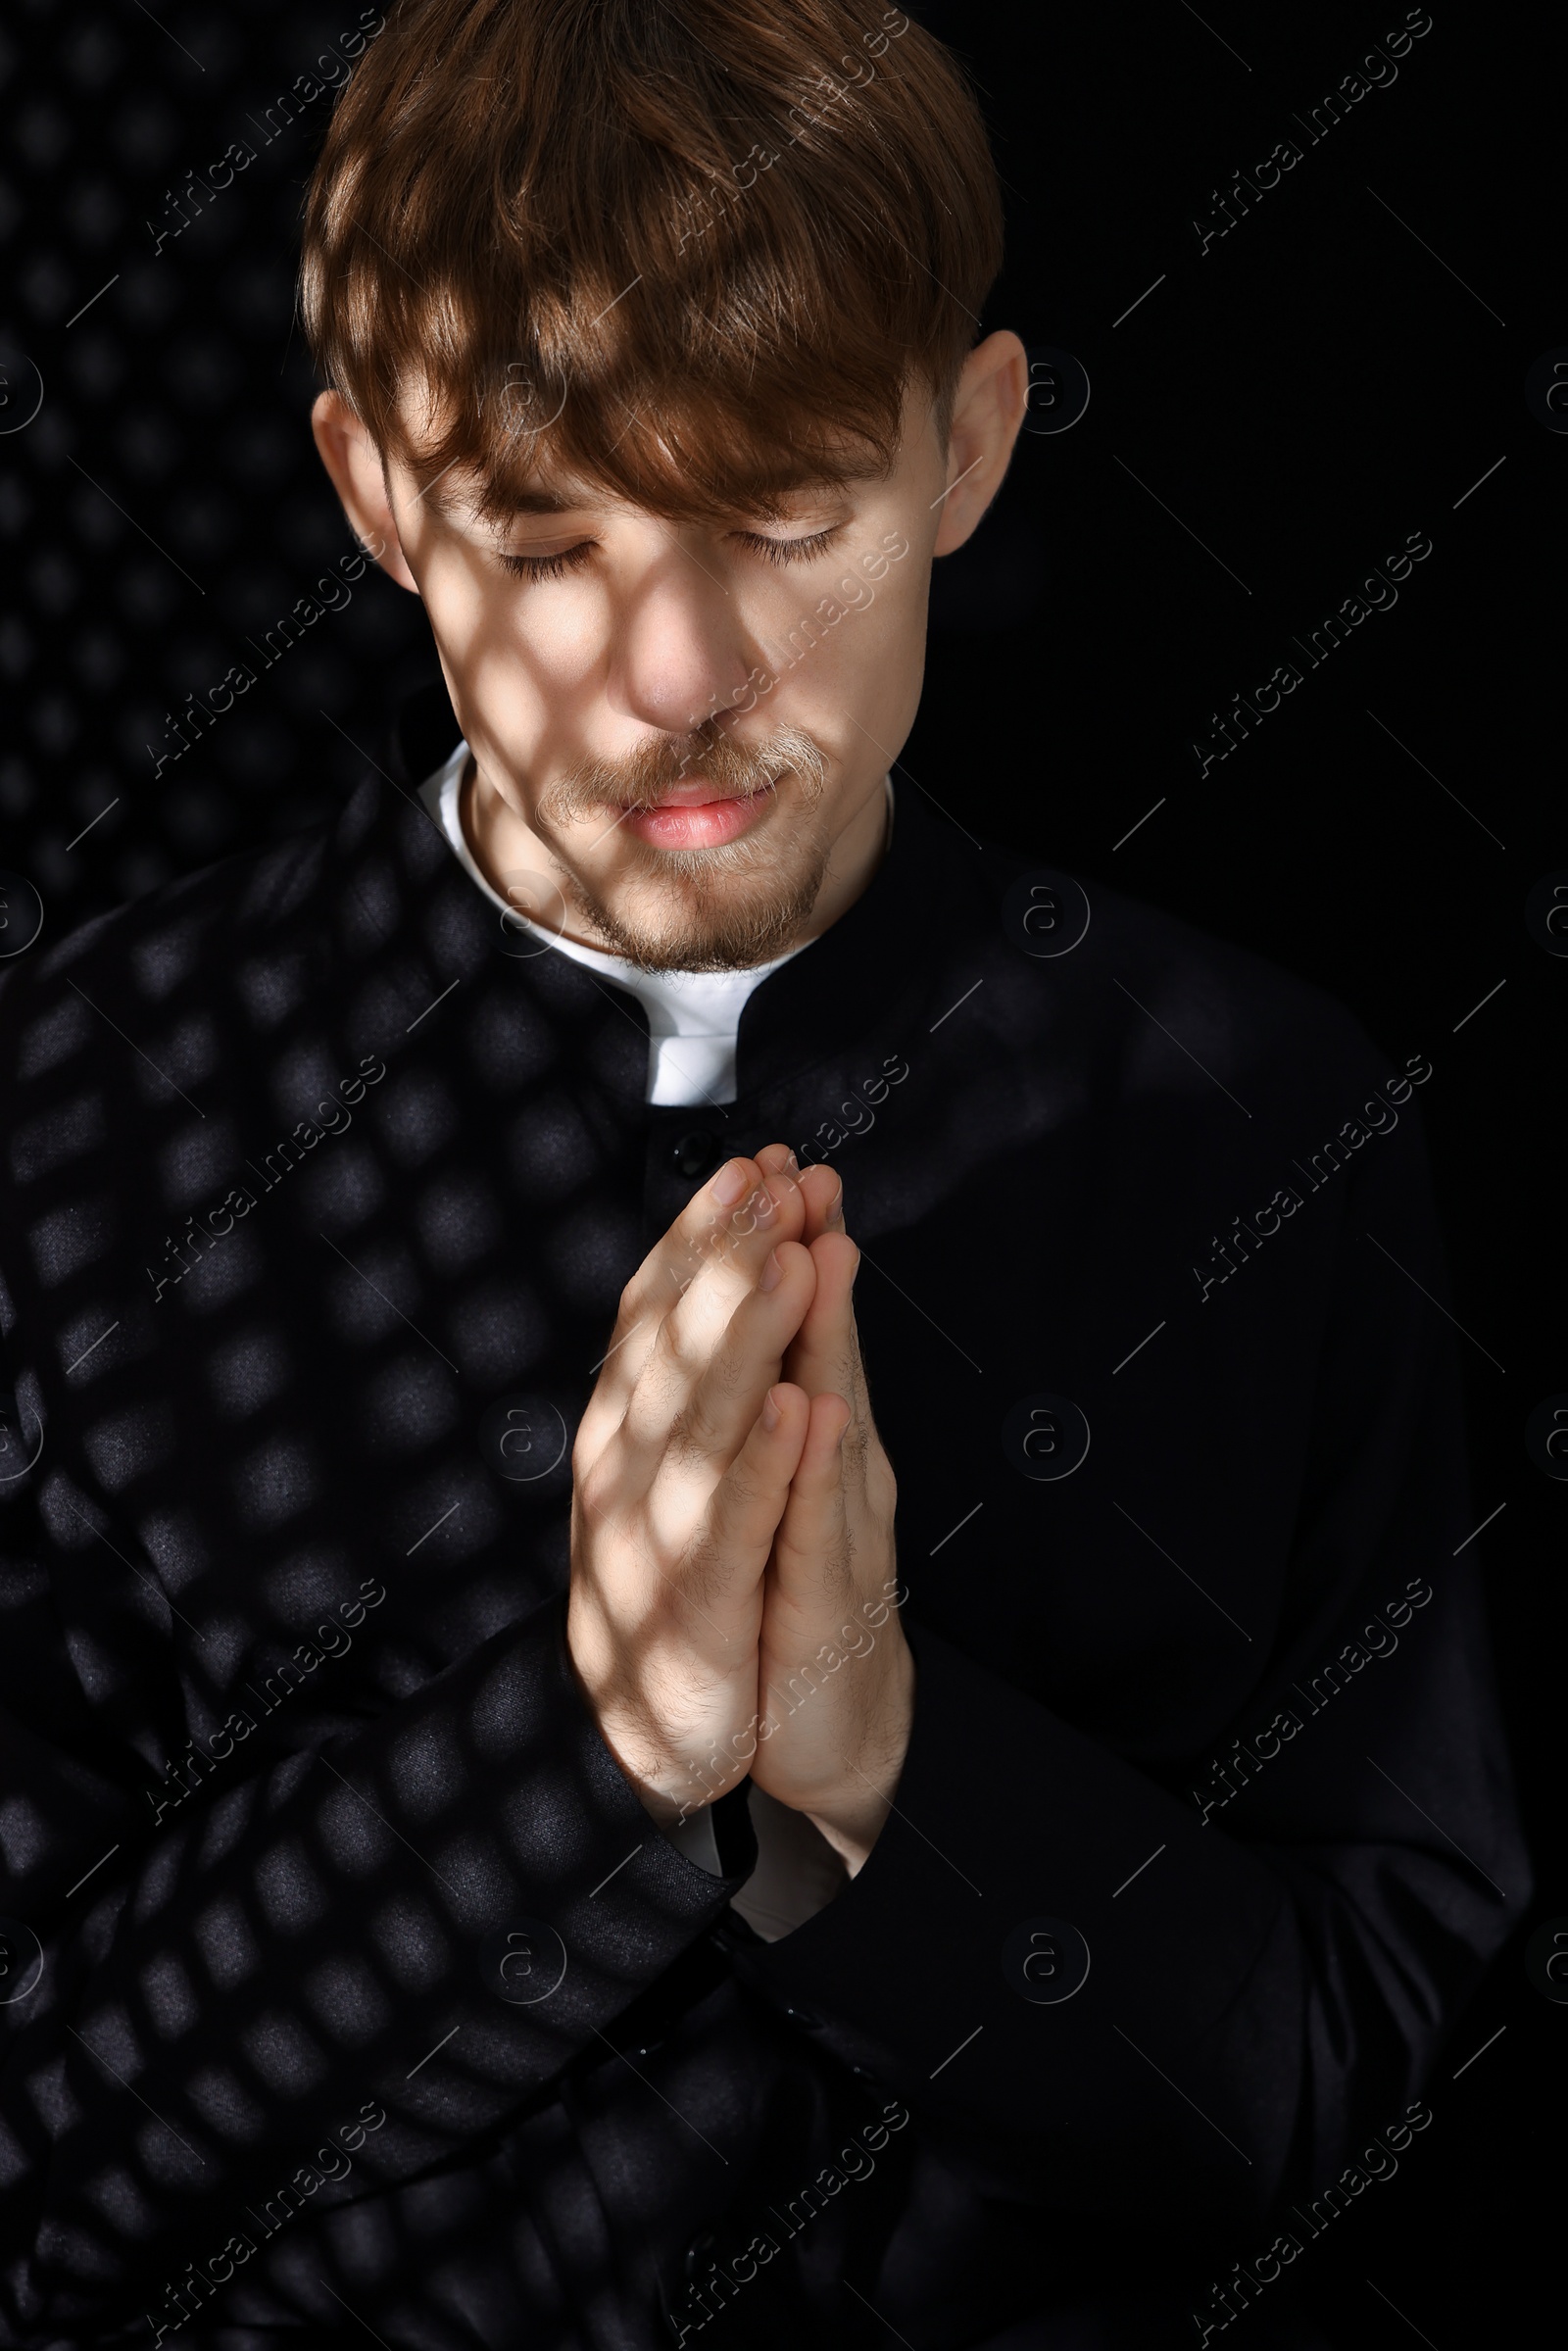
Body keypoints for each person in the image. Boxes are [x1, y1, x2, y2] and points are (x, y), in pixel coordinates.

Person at [0, 3, 1529, 2346]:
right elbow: (41, 2167)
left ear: (966, 447)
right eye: (539, 529)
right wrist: (590, 1744)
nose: (673, 673)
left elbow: (1336, 2096)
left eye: (783, 510)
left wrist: (881, 1758)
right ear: (375, 499)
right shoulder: (82, 1116)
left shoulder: (1266, 1124)